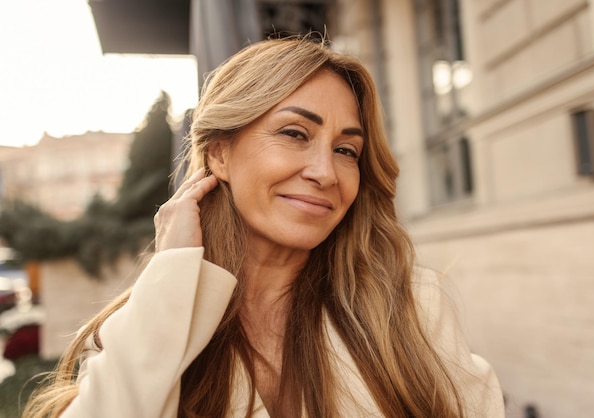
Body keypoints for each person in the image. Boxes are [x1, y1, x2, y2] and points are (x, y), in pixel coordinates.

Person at [23, 36, 504, 418]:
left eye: (346, 150)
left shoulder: (408, 311)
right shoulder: (144, 324)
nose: (325, 172)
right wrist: (171, 270)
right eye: (295, 134)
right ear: (218, 153)